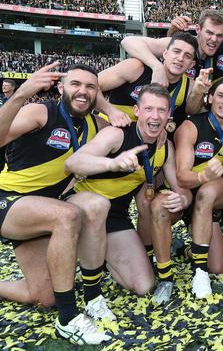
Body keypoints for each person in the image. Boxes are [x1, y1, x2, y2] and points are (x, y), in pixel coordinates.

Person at [0, 63, 111, 345]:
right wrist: (20, 94)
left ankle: (81, 297)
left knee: (43, 296)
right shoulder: (40, 111)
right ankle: (68, 319)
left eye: (90, 87)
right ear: (61, 87)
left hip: (43, 210)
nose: (82, 92)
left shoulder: (95, 125)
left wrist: (112, 111)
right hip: (8, 200)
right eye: (75, 84)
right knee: (67, 214)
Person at [66, 83, 191, 300]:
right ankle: (86, 263)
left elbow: (183, 191)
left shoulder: (165, 148)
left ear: (169, 114)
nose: (155, 116)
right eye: (149, 109)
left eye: (161, 110)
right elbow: (73, 163)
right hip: (81, 207)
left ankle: (100, 252)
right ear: (136, 111)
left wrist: (182, 200)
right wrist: (112, 164)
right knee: (98, 206)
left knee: (143, 285)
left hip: (115, 216)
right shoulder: (117, 135)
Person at [174, 79, 223, 298]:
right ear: (210, 98)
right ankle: (197, 266)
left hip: (213, 194)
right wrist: (204, 175)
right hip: (190, 189)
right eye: (221, 96)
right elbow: (182, 177)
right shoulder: (190, 126)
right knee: (217, 267)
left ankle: (200, 268)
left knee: (207, 193)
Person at [98, 32, 198, 125]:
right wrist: (110, 111)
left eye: (187, 56)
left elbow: (194, 112)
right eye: (176, 51)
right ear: (165, 53)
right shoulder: (135, 67)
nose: (180, 58)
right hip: (110, 129)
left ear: (191, 64)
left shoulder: (189, 87)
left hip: (147, 138)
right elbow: (91, 85)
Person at [121, 9, 223, 83]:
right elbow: (128, 41)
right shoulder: (183, 45)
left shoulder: (222, 50)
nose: (214, 39)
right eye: (209, 33)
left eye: (219, 35)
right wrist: (157, 67)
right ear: (198, 29)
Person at [0, 79, 17, 169]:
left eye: (6, 85)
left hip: (9, 132)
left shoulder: (17, 100)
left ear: (12, 87)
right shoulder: (1, 98)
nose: (3, 86)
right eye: (3, 85)